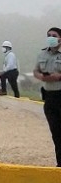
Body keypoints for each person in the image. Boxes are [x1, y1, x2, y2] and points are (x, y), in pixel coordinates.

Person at [33, 28, 61, 167]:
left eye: (54, 36)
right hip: (49, 97)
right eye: (49, 35)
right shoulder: (42, 54)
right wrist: (42, 77)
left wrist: (59, 77)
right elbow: (36, 71)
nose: (51, 38)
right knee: (56, 132)